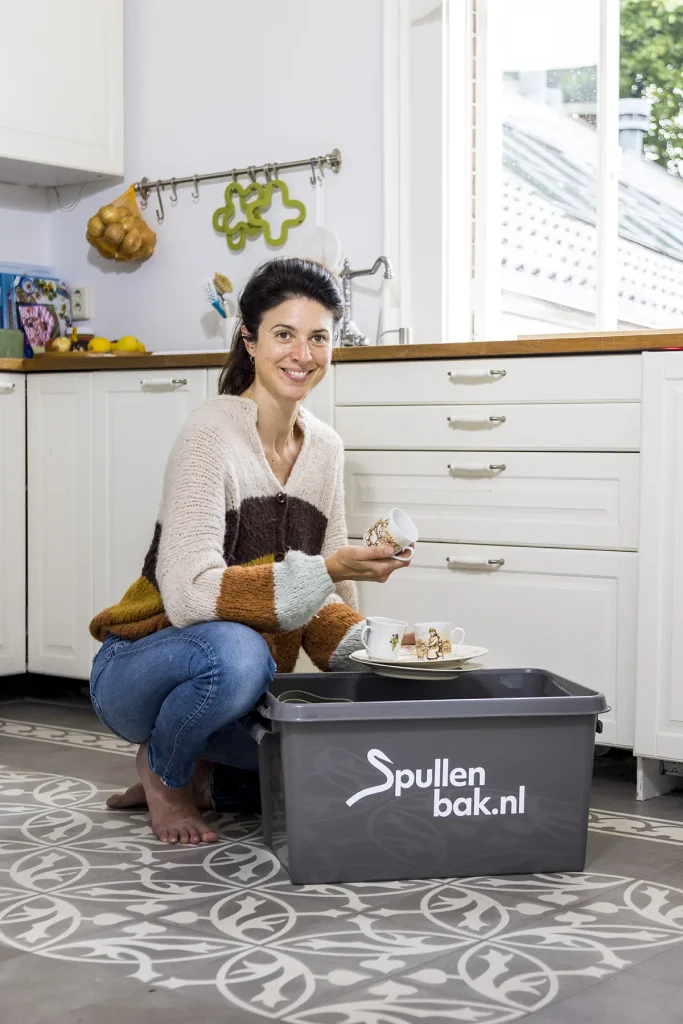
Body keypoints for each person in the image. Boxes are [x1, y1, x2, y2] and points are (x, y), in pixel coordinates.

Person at [88, 257, 411, 846]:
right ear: (250, 340)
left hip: (237, 680)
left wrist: (393, 654)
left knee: (316, 764)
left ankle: (205, 770)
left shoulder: (327, 450)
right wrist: (328, 567)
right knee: (240, 657)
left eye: (319, 338)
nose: (303, 354)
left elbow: (327, 597)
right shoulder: (210, 435)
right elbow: (187, 597)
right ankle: (164, 775)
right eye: (283, 334)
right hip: (143, 664)